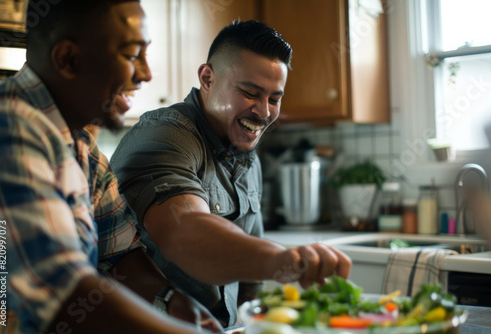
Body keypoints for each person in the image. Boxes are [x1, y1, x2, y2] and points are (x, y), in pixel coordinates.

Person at [0, 0, 222, 333]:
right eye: (131, 56)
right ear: (68, 59)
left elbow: (118, 255)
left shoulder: (81, 145)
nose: (146, 73)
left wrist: (170, 300)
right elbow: (61, 291)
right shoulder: (8, 129)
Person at [111, 20, 352, 327]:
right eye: (250, 93)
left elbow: (250, 278)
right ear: (207, 78)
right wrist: (279, 260)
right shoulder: (165, 134)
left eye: (275, 99)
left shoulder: (246, 152)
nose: (264, 113)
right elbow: (184, 230)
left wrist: (254, 323)